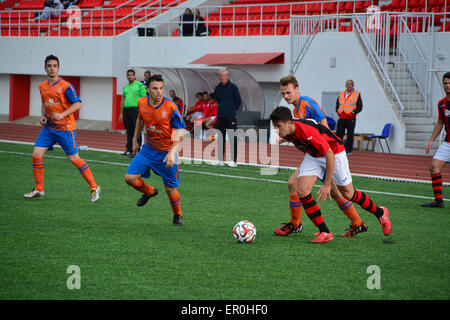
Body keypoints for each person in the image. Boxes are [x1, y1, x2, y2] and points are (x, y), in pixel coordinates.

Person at [270, 106, 392, 243]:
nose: (276, 130)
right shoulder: (288, 131)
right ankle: (325, 232)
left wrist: (327, 184)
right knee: (302, 190)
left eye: (278, 126)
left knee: (348, 194)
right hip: (314, 155)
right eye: (275, 126)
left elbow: (329, 155)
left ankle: (380, 213)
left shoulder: (307, 131)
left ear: (289, 123)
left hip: (334, 152)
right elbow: (299, 143)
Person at [273, 75, 367, 238]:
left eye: (288, 93)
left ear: (297, 90)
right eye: (283, 94)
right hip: (316, 155)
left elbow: (323, 127)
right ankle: (356, 223)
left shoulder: (308, 103)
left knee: (337, 191)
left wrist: (324, 156)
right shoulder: (295, 110)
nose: (285, 97)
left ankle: (357, 223)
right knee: (296, 184)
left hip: (326, 153)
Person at [23, 55, 100, 202]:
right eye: (49, 66)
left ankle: (94, 187)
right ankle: (39, 189)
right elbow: (45, 103)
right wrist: (43, 116)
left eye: (54, 66)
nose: (52, 68)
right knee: (36, 154)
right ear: (45, 68)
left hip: (66, 129)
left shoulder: (65, 86)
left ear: (58, 68)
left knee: (74, 158)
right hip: (49, 128)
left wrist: (62, 114)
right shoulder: (42, 86)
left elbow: (78, 104)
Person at [124, 74, 186, 226]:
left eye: (161, 88)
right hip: (148, 150)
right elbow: (140, 119)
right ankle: (150, 192)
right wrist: (134, 140)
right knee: (129, 178)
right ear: (148, 90)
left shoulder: (171, 107)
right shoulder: (141, 102)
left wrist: (172, 152)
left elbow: (180, 131)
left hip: (167, 152)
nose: (159, 92)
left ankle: (177, 215)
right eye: (155, 89)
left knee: (170, 189)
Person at [421, 72, 450, 208]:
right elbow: (440, 123)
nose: (447, 86)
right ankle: (438, 201)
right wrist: (431, 140)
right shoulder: (441, 104)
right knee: (434, 167)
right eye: (445, 83)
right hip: (447, 142)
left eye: (449, 83)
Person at [214, 68, 242, 167]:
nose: (222, 78)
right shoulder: (217, 88)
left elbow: (238, 101)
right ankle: (220, 159)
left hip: (230, 116)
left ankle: (233, 160)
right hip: (221, 116)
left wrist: (231, 110)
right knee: (220, 137)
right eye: (220, 76)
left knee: (232, 138)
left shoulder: (233, 87)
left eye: (223, 76)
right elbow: (217, 100)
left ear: (227, 76)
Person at [119, 69, 147, 157]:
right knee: (129, 130)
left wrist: (143, 111)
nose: (130, 76)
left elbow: (144, 99)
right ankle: (129, 149)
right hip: (127, 111)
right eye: (128, 75)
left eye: (131, 75)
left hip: (136, 110)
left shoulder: (140, 86)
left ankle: (137, 150)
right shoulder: (125, 87)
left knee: (137, 130)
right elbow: (122, 100)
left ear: (134, 76)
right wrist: (120, 113)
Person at [335, 79, 363, 154]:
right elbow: (337, 104)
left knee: (350, 134)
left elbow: (360, 107)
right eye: (347, 84)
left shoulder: (357, 94)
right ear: (345, 85)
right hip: (342, 117)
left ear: (353, 85)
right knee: (339, 134)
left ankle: (348, 150)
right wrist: (338, 111)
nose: (348, 85)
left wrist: (353, 113)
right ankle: (338, 149)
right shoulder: (341, 94)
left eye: (350, 84)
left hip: (351, 118)